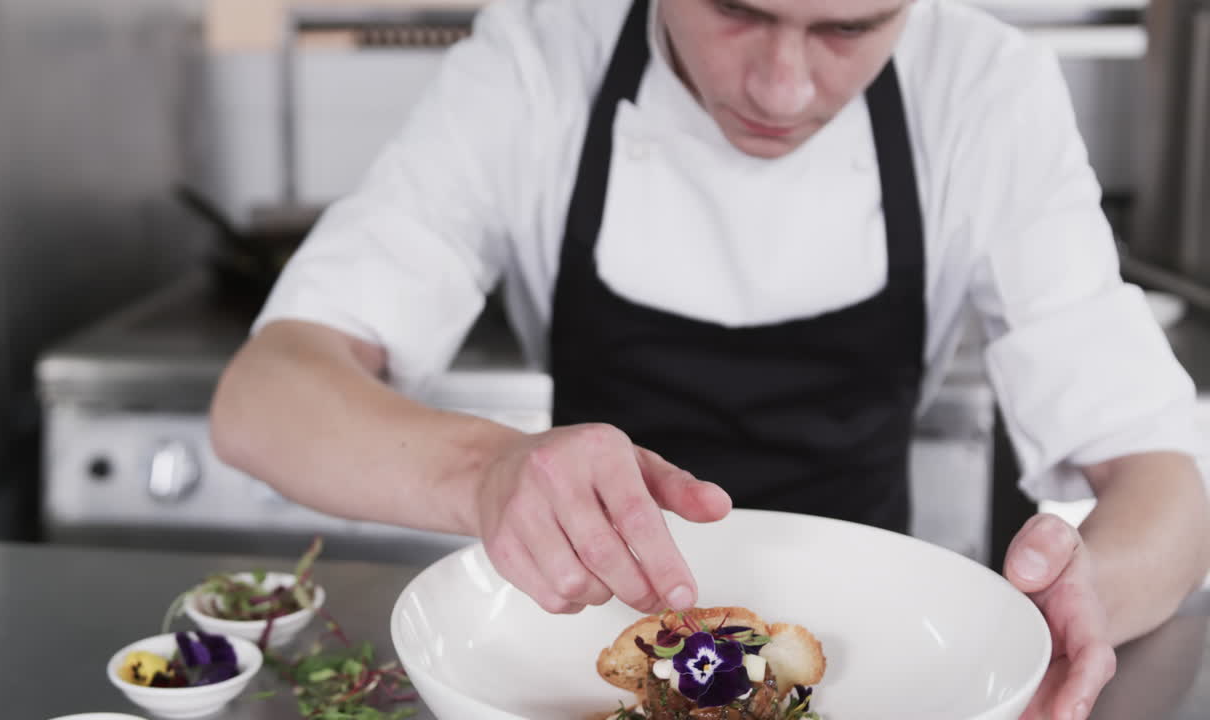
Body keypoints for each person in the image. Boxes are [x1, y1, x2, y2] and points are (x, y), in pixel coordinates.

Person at [210, 1, 1210, 718]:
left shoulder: (983, 89)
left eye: (846, 29)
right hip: (571, 660)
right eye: (735, 11)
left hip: (867, 666)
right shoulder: (533, 58)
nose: (781, 85)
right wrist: (484, 473)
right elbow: (264, 397)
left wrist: (1092, 587)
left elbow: (1162, 472)